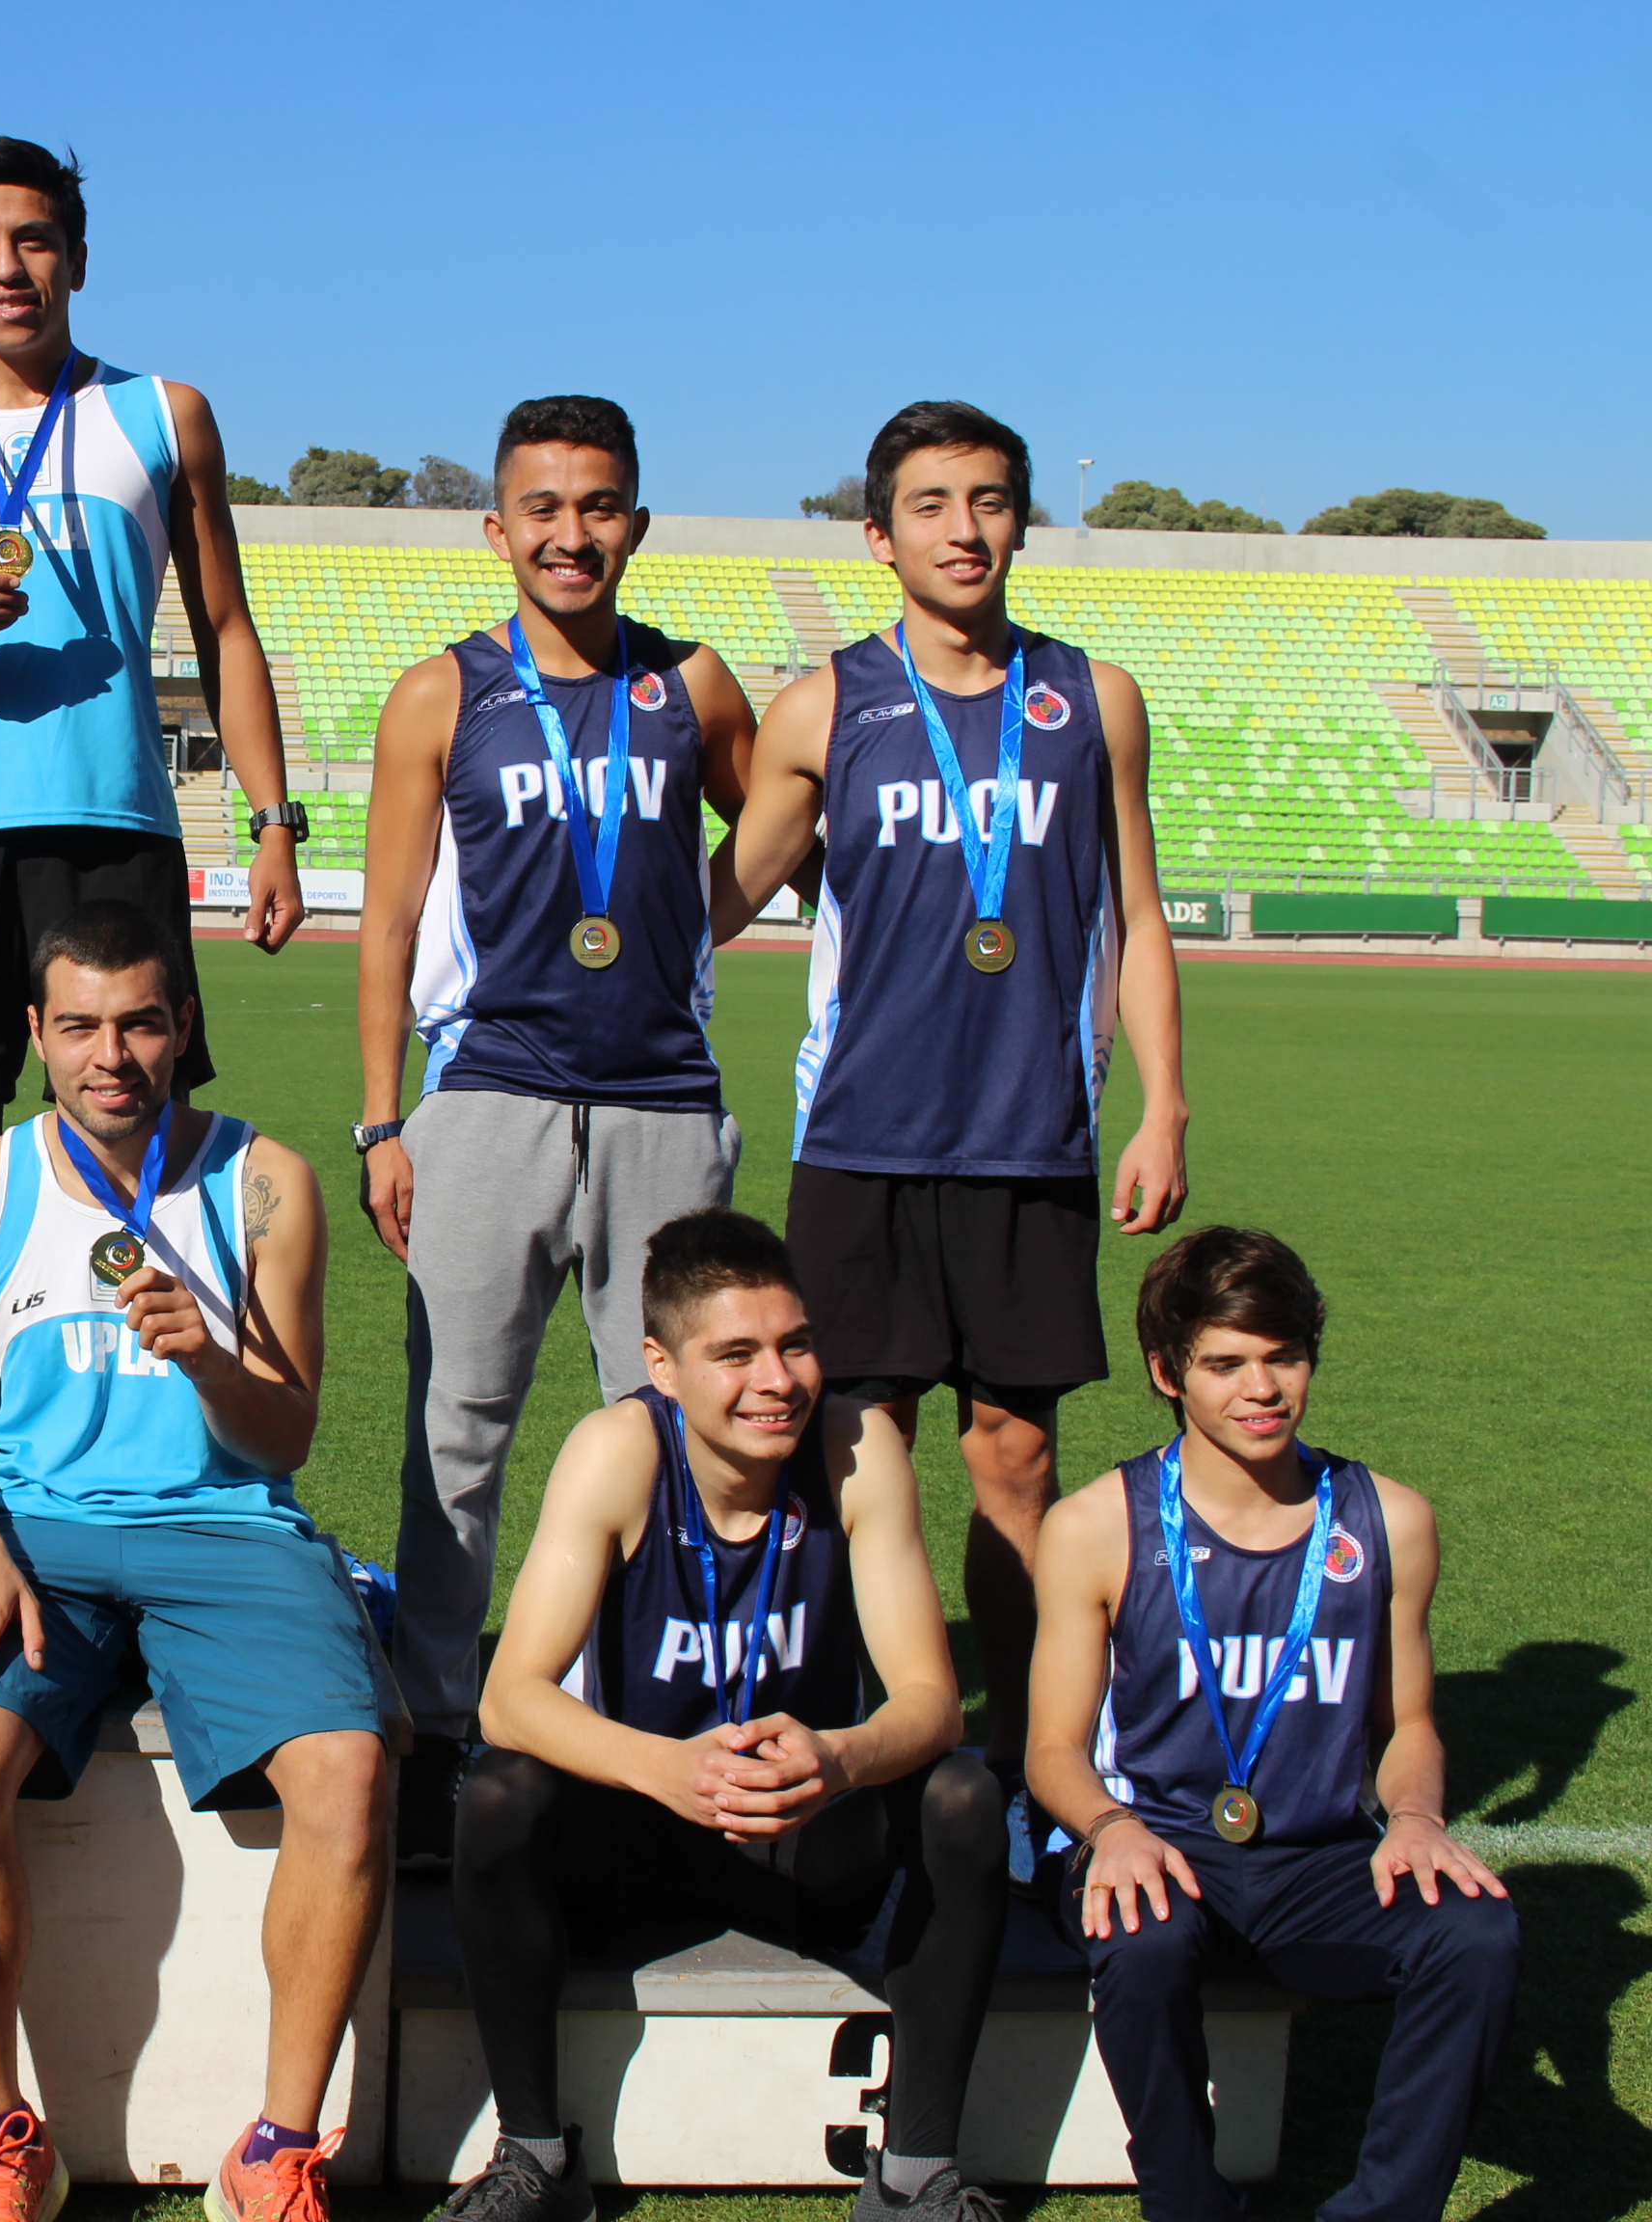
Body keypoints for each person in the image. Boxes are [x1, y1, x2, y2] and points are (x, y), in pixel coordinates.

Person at [355, 394, 810, 1847]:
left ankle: (656, 1734)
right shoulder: (441, 694)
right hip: (487, 1099)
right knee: (456, 1436)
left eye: (599, 506)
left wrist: (693, 926)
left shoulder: (694, 685)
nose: (572, 534)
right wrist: (380, 1124)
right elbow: (388, 923)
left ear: (637, 523)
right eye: (543, 509)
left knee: (680, 1435)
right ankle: (438, 1720)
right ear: (497, 528)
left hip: (665, 1109)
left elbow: (781, 832)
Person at [718, 399, 1188, 1802]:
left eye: (988, 501)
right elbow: (718, 898)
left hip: (1030, 1137)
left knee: (1017, 1461)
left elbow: (1139, 916)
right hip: (860, 1140)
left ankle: (1023, 1760)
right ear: (879, 535)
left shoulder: (1093, 699)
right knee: (853, 1456)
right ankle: (859, 1742)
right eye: (930, 504)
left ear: (1020, 523)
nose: (962, 529)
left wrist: (1163, 1105)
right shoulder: (826, 704)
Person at [0, 898, 394, 2222]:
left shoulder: (266, 1181)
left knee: (348, 1774)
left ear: (183, 1025)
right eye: (78, 1027)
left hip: (227, 1526)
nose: (109, 1056)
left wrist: (213, 1361)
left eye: (138, 1024)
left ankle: (278, 2147)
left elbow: (287, 1433)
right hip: (32, 1535)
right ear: (36, 1033)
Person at [439, 1209, 1006, 2222]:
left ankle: (916, 2177)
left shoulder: (856, 1445)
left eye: (796, 1344)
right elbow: (510, 1696)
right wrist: (666, 1769)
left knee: (962, 1796)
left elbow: (930, 1701)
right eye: (736, 1355)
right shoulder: (619, 1451)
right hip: (639, 1827)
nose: (778, 1380)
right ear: (661, 1365)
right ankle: (533, 2158)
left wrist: (839, 1758)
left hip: (801, 1831)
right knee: (496, 1794)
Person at [0, 138, 309, 1189]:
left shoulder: (164, 413)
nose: (8, 267)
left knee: (137, 1125)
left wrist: (273, 822)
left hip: (112, 821)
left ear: (77, 258)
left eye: (34, 240)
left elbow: (226, 628)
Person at [1029, 1228, 1517, 2222]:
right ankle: (1188, 2206)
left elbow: (1409, 1723)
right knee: (1143, 1940)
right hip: (1158, 1841)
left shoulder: (1389, 1520)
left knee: (1476, 1935)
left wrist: (1416, 1817)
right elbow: (1050, 1749)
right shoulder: (1095, 1524)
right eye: (1226, 1364)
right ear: (1167, 1372)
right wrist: (1111, 1830)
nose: (1262, 1389)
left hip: (1318, 1859)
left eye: (1283, 1356)